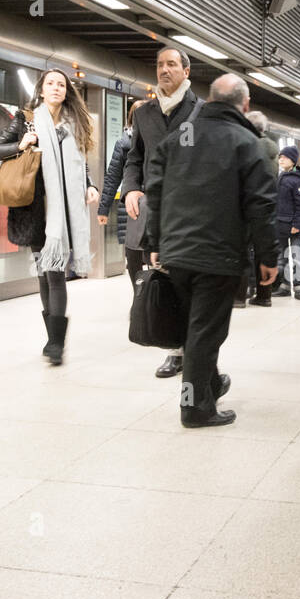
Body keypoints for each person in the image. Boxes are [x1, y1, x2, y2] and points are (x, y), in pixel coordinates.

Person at [143, 74, 278, 427]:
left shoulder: (179, 138)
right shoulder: (247, 142)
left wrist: (155, 242)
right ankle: (194, 408)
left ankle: (211, 385)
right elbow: (261, 206)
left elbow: (153, 192)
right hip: (218, 256)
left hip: (177, 253)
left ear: (210, 99)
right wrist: (268, 257)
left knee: (195, 329)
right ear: (244, 105)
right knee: (204, 333)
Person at [0, 69, 99, 365]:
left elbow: (79, 163)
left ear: (67, 91)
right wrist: (20, 144)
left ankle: (55, 342)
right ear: (42, 88)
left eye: (61, 84)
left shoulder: (75, 124)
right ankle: (53, 337)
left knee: (55, 275)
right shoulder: (26, 119)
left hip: (64, 213)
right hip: (36, 211)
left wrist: (89, 185)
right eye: (50, 83)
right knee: (44, 275)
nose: (56, 88)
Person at [122, 47, 202, 377]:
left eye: (171, 64)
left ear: (186, 71)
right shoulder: (143, 113)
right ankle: (172, 341)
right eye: (159, 65)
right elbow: (134, 158)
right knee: (147, 273)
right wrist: (131, 187)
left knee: (181, 279)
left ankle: (186, 349)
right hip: (151, 208)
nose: (164, 70)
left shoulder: (201, 112)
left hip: (187, 211)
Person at [97, 99, 146, 290]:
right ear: (132, 119)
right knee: (133, 257)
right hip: (130, 207)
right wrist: (103, 209)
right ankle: (139, 297)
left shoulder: (159, 140)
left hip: (153, 204)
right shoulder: (123, 143)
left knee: (151, 254)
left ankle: (152, 299)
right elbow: (112, 177)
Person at [239, 110, 278, 307]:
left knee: (243, 250)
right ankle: (264, 296)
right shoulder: (271, 147)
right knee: (263, 249)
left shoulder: (248, 145)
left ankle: (239, 296)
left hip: (247, 204)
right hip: (268, 203)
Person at [273, 146, 300, 300]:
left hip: (294, 226)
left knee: (296, 256)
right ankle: (285, 285)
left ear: (293, 160)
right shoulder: (280, 177)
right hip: (280, 224)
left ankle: (299, 286)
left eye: (285, 157)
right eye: (280, 157)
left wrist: (297, 224)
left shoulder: (298, 180)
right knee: (282, 257)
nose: (281, 159)